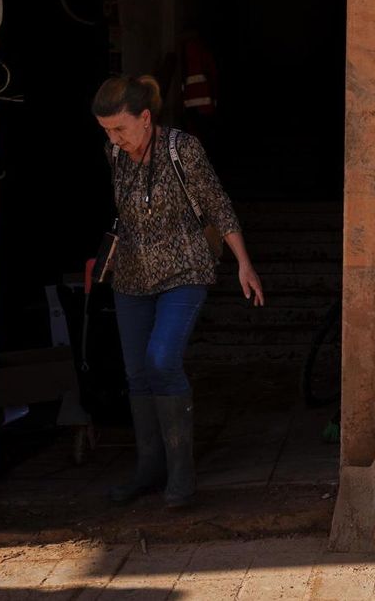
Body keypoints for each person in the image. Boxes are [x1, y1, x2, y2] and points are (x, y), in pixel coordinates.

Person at [91, 75, 265, 508]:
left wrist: (244, 262)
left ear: (146, 118)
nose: (114, 138)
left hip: (184, 271)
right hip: (131, 277)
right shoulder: (114, 152)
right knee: (136, 374)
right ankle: (148, 470)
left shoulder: (181, 149)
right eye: (106, 131)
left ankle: (181, 475)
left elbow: (218, 204)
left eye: (121, 129)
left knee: (162, 360)